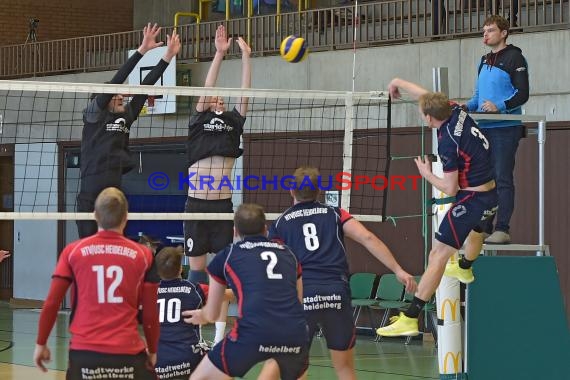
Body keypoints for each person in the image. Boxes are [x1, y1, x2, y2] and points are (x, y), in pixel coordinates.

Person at [262, 166, 416, 380]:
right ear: (319, 191)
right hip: (336, 293)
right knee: (344, 369)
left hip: (302, 295)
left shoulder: (279, 224)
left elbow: (273, 264)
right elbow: (367, 238)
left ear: (291, 191)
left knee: (295, 367)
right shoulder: (334, 214)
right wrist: (397, 270)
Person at [376, 78, 498, 337]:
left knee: (438, 255)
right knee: (478, 233)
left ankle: (411, 317)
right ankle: (465, 268)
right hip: (492, 194)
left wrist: (426, 173)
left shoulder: (447, 142)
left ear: (430, 119)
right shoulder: (454, 110)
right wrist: (398, 81)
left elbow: (450, 189)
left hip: (470, 199)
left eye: (422, 114)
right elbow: (428, 96)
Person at [33, 187, 160, 379]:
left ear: (94, 215)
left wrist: (41, 343)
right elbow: (151, 314)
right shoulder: (144, 256)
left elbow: (51, 303)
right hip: (128, 354)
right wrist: (152, 350)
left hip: (84, 354)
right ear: (126, 217)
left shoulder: (72, 252)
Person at [182, 203, 310, 380]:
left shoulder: (227, 255)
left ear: (235, 231)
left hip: (252, 333)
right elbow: (298, 300)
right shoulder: (289, 254)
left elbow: (212, 314)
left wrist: (201, 316)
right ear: (265, 229)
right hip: (294, 333)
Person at [76, 24, 181, 238]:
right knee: (89, 246)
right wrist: (142, 50)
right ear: (104, 99)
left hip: (114, 193)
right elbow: (117, 81)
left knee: (113, 243)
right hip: (90, 194)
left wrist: (167, 56)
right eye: (116, 95)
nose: (121, 96)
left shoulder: (127, 115)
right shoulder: (94, 114)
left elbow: (147, 85)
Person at [184, 24, 251, 342]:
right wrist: (220, 53)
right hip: (197, 205)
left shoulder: (233, 123)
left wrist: (247, 58)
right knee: (197, 270)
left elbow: (246, 95)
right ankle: (192, 329)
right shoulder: (198, 121)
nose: (216, 94)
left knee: (222, 271)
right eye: (211, 94)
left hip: (223, 206)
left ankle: (221, 334)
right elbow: (207, 84)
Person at [463, 14, 528, 244]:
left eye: (490, 30)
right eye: (484, 30)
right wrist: (465, 106)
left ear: (503, 33)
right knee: (484, 180)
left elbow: (522, 94)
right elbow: (479, 96)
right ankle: (484, 228)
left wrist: (499, 106)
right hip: (484, 129)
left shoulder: (515, 57)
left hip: (505, 129)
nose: (485, 34)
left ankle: (502, 228)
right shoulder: (484, 60)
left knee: (502, 178)